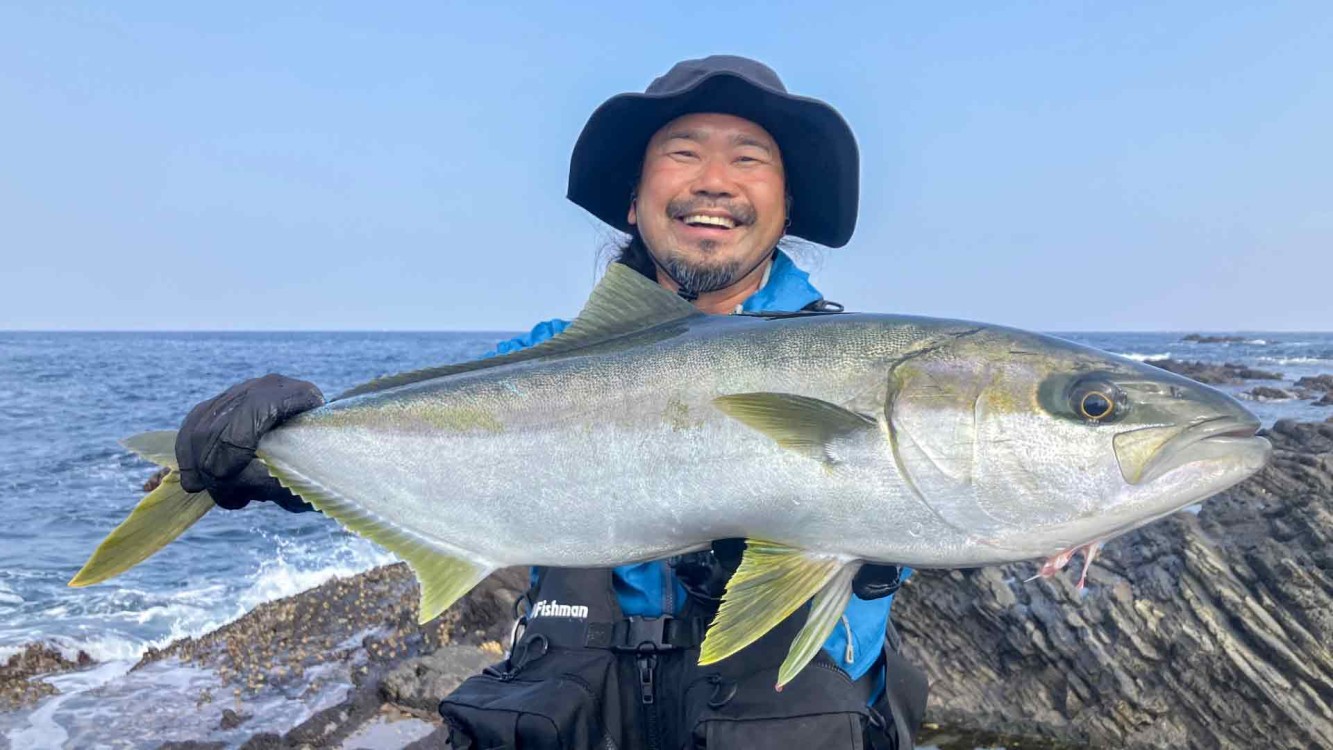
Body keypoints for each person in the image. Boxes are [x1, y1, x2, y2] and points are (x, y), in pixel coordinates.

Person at [176, 55, 927, 749]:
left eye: (748, 158)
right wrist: (288, 457)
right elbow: (427, 446)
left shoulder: (863, 369)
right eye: (683, 152)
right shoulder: (539, 364)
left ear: (786, 207)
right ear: (632, 201)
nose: (714, 181)